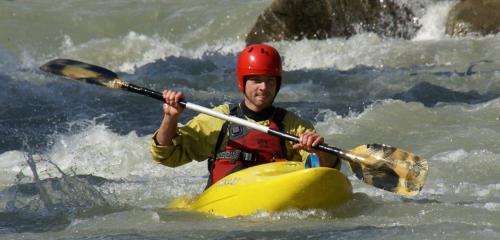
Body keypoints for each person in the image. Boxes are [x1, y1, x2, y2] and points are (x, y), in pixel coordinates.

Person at [150, 44, 340, 188]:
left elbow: (327, 172)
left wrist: (320, 152)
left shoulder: (292, 125)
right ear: (243, 83)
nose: (264, 88)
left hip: (274, 198)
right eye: (256, 80)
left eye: (270, 81)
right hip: (226, 200)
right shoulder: (219, 119)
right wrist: (171, 118)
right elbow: (167, 155)